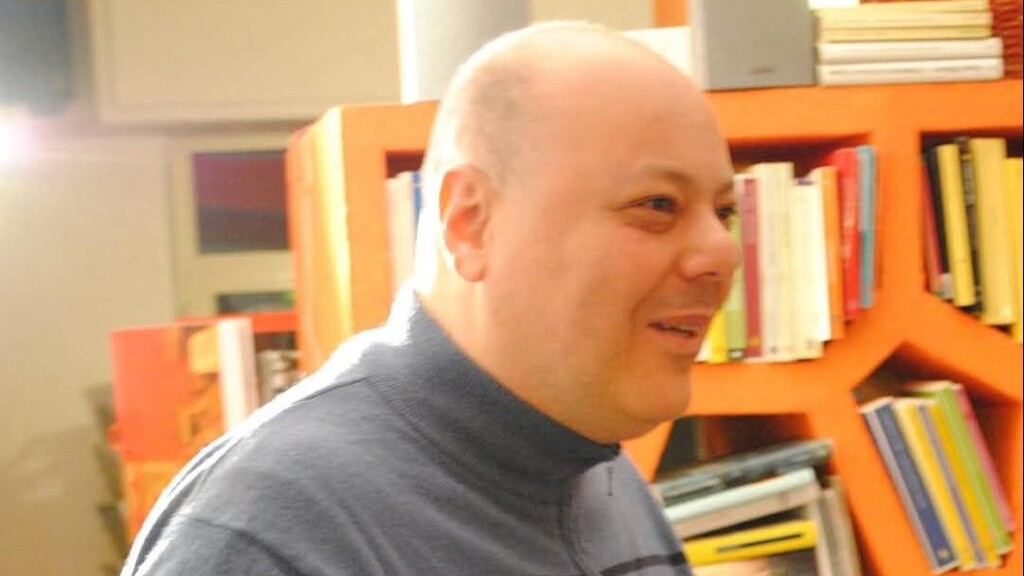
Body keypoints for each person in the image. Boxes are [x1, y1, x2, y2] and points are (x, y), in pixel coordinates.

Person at [120, 20, 740, 576]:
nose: (722, 253)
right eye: (657, 204)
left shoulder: (598, 473)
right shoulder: (270, 535)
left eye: (724, 213)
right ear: (469, 223)